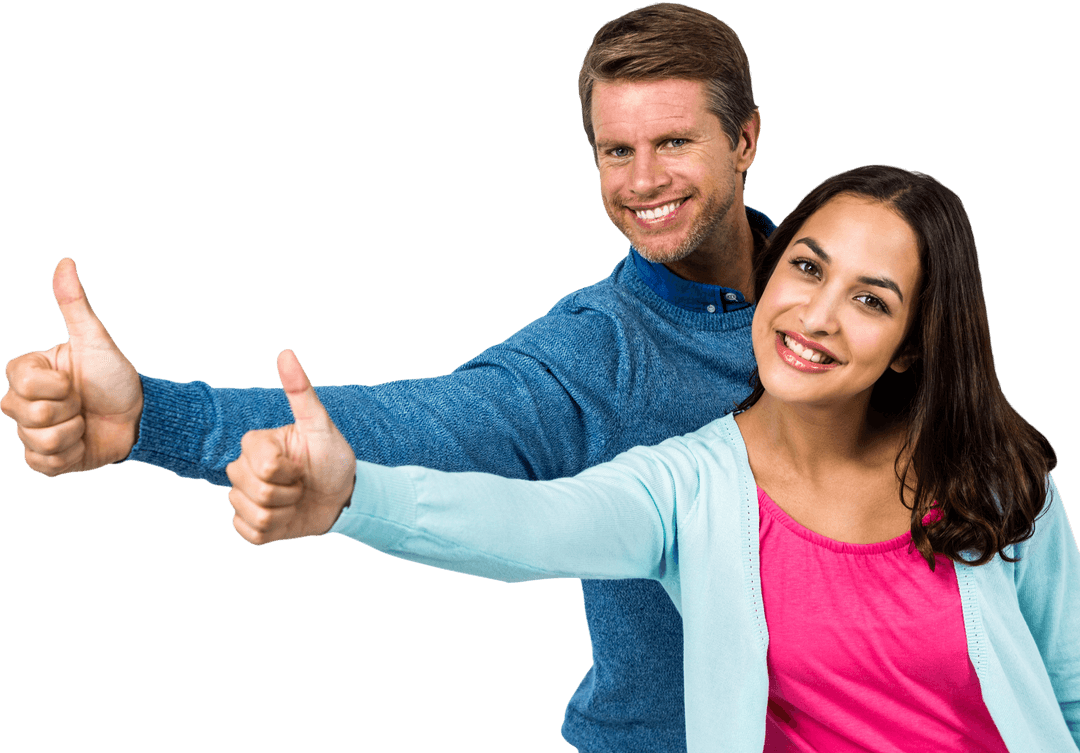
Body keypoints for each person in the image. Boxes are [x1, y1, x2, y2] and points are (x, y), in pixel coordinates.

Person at [1, 4, 767, 751]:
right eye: (615, 151)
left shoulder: (845, 296)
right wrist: (153, 417)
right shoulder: (598, 355)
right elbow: (433, 422)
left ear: (744, 139)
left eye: (672, 141)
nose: (642, 181)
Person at [224, 165, 1079, 752]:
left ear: (907, 346)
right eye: (808, 268)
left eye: (869, 299)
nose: (816, 316)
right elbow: (528, 525)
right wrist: (352, 495)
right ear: (774, 268)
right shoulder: (688, 487)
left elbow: (1071, 685)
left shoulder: (995, 477)